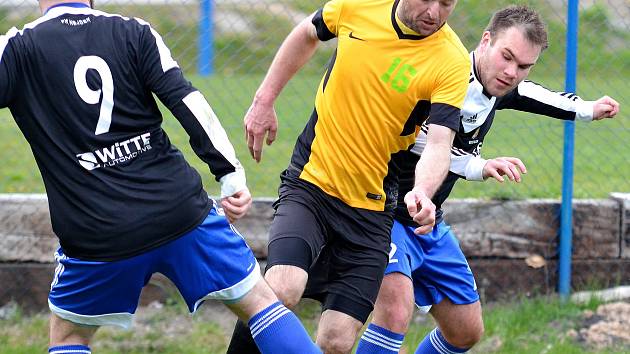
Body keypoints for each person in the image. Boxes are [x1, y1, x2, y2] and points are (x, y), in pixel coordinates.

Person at [0, 1, 324, 353]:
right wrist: (229, 174)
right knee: (261, 304)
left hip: (95, 230)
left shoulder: (17, 49)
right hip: (179, 212)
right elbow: (187, 102)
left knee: (68, 337)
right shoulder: (133, 30)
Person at [356, 5, 620, 354]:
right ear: (485, 42)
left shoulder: (498, 84)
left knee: (465, 331)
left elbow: (535, 94)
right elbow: (426, 144)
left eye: (524, 66)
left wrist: (587, 109)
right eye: (506, 57)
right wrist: (478, 166)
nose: (512, 73)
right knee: (395, 311)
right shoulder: (445, 75)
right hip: (381, 212)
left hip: (427, 222)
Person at [227, 0, 471, 352]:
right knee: (282, 288)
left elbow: (439, 142)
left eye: (446, 2)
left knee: (337, 340)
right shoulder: (360, 5)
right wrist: (264, 99)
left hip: (370, 213)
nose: (434, 12)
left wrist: (423, 190)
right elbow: (307, 33)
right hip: (311, 184)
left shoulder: (451, 59)